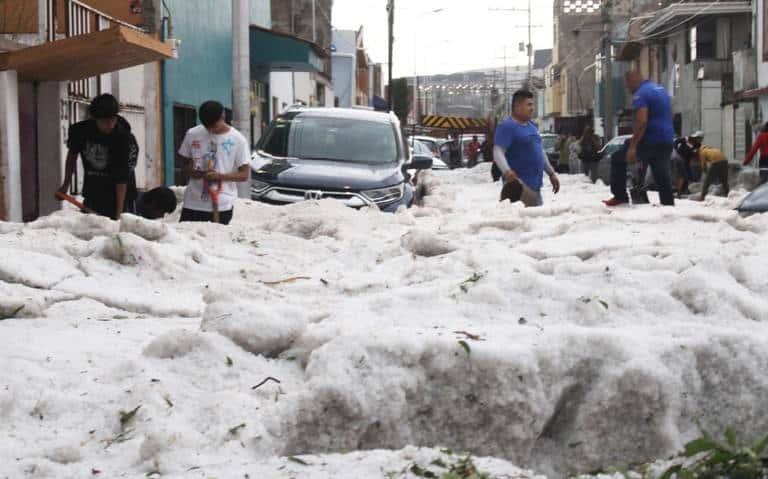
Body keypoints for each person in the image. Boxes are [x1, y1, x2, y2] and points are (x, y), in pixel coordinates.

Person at [59, 94, 138, 220]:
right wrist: (65, 185)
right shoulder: (80, 132)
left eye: (113, 120)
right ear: (94, 118)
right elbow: (72, 156)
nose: (110, 125)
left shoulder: (123, 139)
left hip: (122, 197)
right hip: (93, 193)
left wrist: (118, 216)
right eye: (105, 121)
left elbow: (121, 179)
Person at [604, 71, 675, 206]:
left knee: (618, 157)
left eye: (627, 85)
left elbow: (642, 122)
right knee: (662, 174)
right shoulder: (660, 90)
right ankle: (668, 205)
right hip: (666, 139)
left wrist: (633, 147)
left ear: (633, 81)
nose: (627, 89)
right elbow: (670, 114)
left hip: (650, 140)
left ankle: (620, 196)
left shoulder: (641, 94)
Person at [178, 100, 250, 225]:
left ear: (223, 116)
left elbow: (244, 175)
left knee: (216, 241)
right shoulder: (192, 134)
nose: (210, 130)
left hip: (222, 204)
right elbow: (183, 164)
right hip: (193, 203)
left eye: (214, 126)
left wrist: (220, 176)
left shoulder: (238, 139)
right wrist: (194, 172)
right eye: (207, 126)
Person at [494, 90, 560, 207]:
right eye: (529, 104)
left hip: (535, 188)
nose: (532, 108)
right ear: (518, 107)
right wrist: (507, 171)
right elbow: (498, 151)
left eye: (532, 104)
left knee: (534, 223)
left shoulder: (532, 126)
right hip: (519, 188)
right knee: (522, 223)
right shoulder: (507, 126)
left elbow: (540, 152)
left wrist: (551, 173)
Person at [672, 132, 700, 196]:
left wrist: (693, 153)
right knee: (682, 175)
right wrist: (677, 148)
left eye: (700, 139)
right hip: (680, 157)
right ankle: (679, 192)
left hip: (687, 160)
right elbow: (675, 142)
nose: (699, 140)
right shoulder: (686, 138)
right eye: (698, 138)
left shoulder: (697, 145)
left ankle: (684, 190)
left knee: (687, 175)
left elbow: (694, 153)